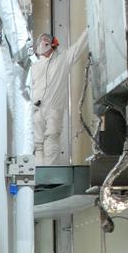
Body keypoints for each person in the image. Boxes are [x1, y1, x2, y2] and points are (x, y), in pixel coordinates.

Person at [31, 30, 88, 166]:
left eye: (46, 40)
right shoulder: (35, 65)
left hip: (53, 108)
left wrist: (89, 28)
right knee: (38, 144)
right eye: (41, 40)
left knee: (51, 140)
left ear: (53, 43)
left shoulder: (63, 59)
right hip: (36, 109)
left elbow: (79, 46)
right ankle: (39, 173)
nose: (43, 43)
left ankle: (49, 173)